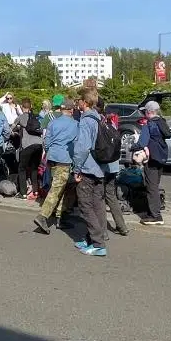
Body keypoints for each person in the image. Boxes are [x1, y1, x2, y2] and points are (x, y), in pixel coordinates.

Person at [71, 88, 108, 257]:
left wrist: (76, 169)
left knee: (86, 207)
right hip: (100, 169)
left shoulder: (86, 121)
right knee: (98, 205)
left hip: (88, 168)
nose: (77, 103)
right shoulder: (99, 118)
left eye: (79, 100)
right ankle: (93, 238)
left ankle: (98, 244)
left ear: (84, 103)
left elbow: (82, 148)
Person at [32, 97, 77, 234]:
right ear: (72, 110)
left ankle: (59, 217)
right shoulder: (75, 124)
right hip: (65, 159)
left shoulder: (53, 122)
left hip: (52, 158)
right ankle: (43, 216)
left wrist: (52, 151)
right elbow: (77, 144)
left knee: (60, 187)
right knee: (57, 189)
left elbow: (46, 142)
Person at [96, 97, 129, 237]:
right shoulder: (113, 123)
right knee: (111, 196)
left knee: (99, 198)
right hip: (114, 165)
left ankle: (102, 231)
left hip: (102, 165)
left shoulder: (98, 122)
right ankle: (122, 226)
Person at [136, 101, 171, 225]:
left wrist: (133, 147)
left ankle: (155, 216)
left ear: (149, 112)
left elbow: (142, 142)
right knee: (155, 185)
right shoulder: (162, 122)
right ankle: (154, 210)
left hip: (151, 159)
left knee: (151, 187)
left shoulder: (149, 124)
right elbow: (167, 135)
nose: (144, 113)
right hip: (161, 157)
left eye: (145, 111)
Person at [12, 97, 44, 199]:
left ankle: (23, 193)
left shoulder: (20, 117)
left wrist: (15, 133)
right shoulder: (36, 117)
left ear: (22, 107)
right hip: (39, 145)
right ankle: (35, 192)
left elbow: (10, 129)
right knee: (34, 168)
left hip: (27, 146)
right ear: (31, 107)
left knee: (22, 168)